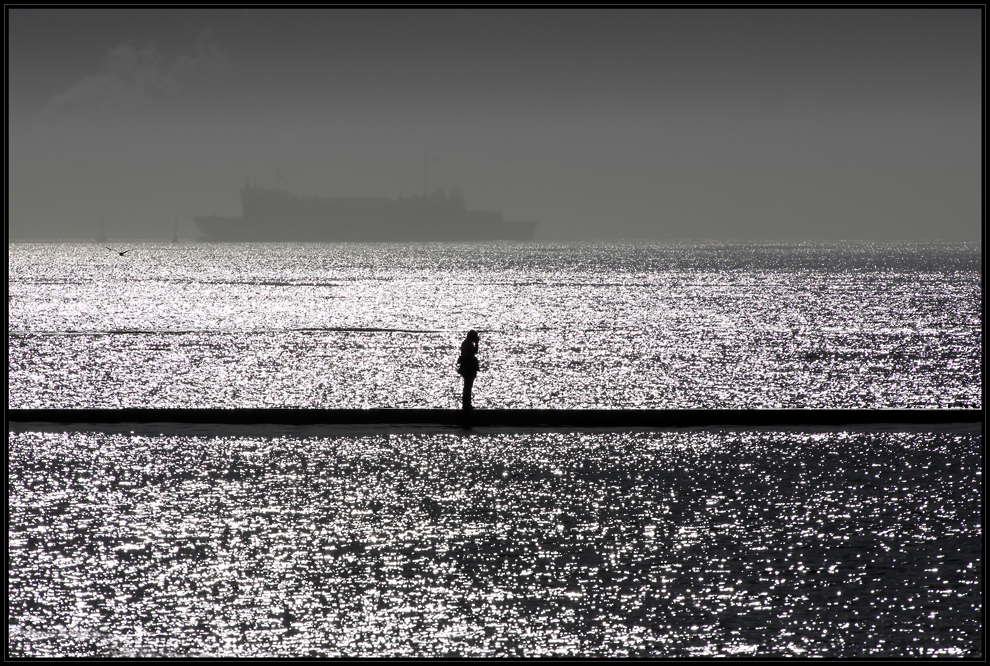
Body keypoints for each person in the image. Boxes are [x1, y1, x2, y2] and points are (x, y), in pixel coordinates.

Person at [456, 330, 480, 410]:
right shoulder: (467, 344)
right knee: (467, 385)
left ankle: (467, 403)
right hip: (468, 366)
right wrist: (477, 343)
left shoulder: (467, 343)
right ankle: (466, 404)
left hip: (468, 366)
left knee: (468, 385)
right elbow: (474, 351)